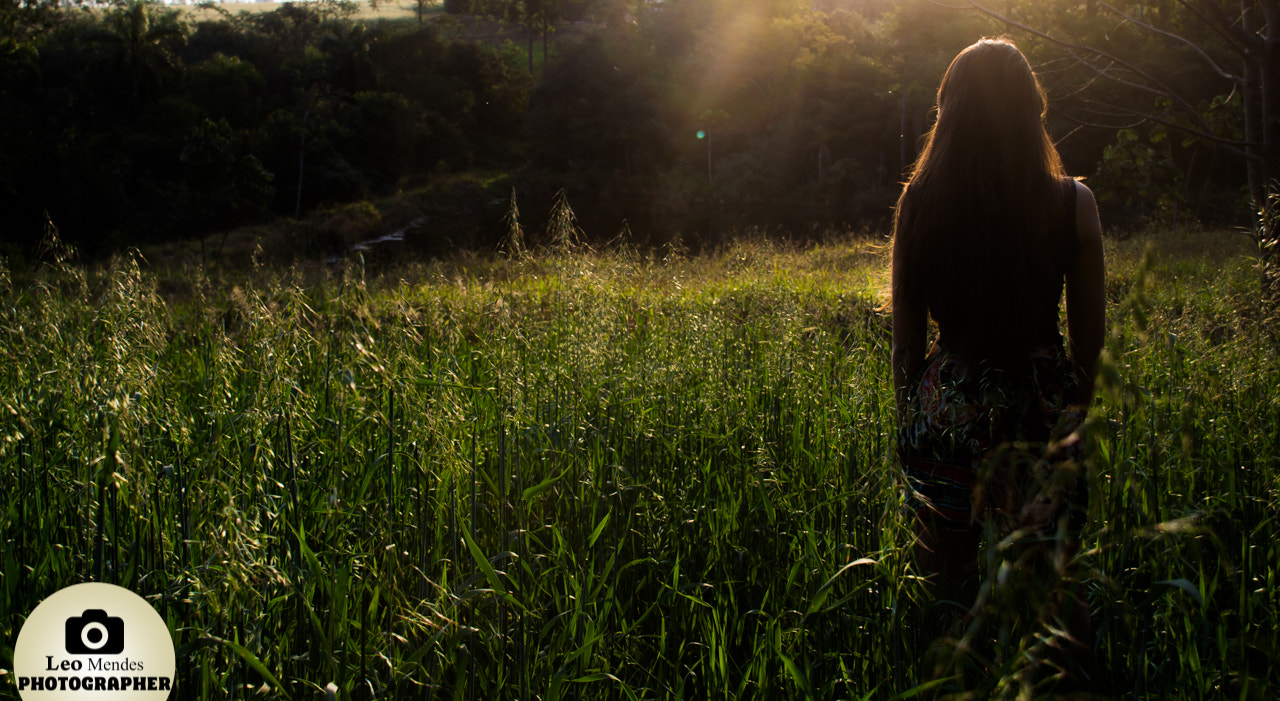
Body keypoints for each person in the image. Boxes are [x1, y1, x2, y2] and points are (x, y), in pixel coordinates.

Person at [890, 37, 1106, 684]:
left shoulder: (918, 203)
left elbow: (904, 350)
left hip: (946, 411)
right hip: (1038, 414)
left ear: (947, 112)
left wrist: (913, 423)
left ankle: (947, 681)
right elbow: (1089, 349)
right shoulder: (1075, 204)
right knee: (1053, 591)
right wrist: (1073, 421)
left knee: (944, 590)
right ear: (1030, 109)